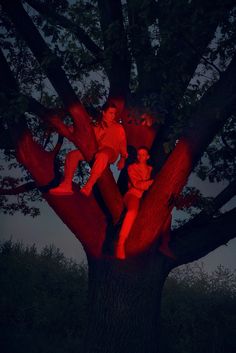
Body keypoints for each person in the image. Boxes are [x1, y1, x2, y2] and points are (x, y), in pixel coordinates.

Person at [49, 103, 128, 196]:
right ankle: (66, 185)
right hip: (94, 150)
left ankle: (89, 186)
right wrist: (65, 128)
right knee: (72, 155)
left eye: (114, 113)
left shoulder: (118, 128)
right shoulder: (95, 125)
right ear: (104, 113)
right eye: (111, 113)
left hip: (109, 151)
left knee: (102, 155)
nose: (113, 116)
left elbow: (123, 144)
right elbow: (81, 131)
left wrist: (122, 158)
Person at [116, 147, 153, 259]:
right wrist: (151, 182)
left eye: (143, 154)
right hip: (133, 194)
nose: (140, 157)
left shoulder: (151, 169)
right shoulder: (132, 168)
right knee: (132, 212)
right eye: (139, 154)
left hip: (144, 198)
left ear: (147, 157)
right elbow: (137, 184)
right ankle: (121, 243)